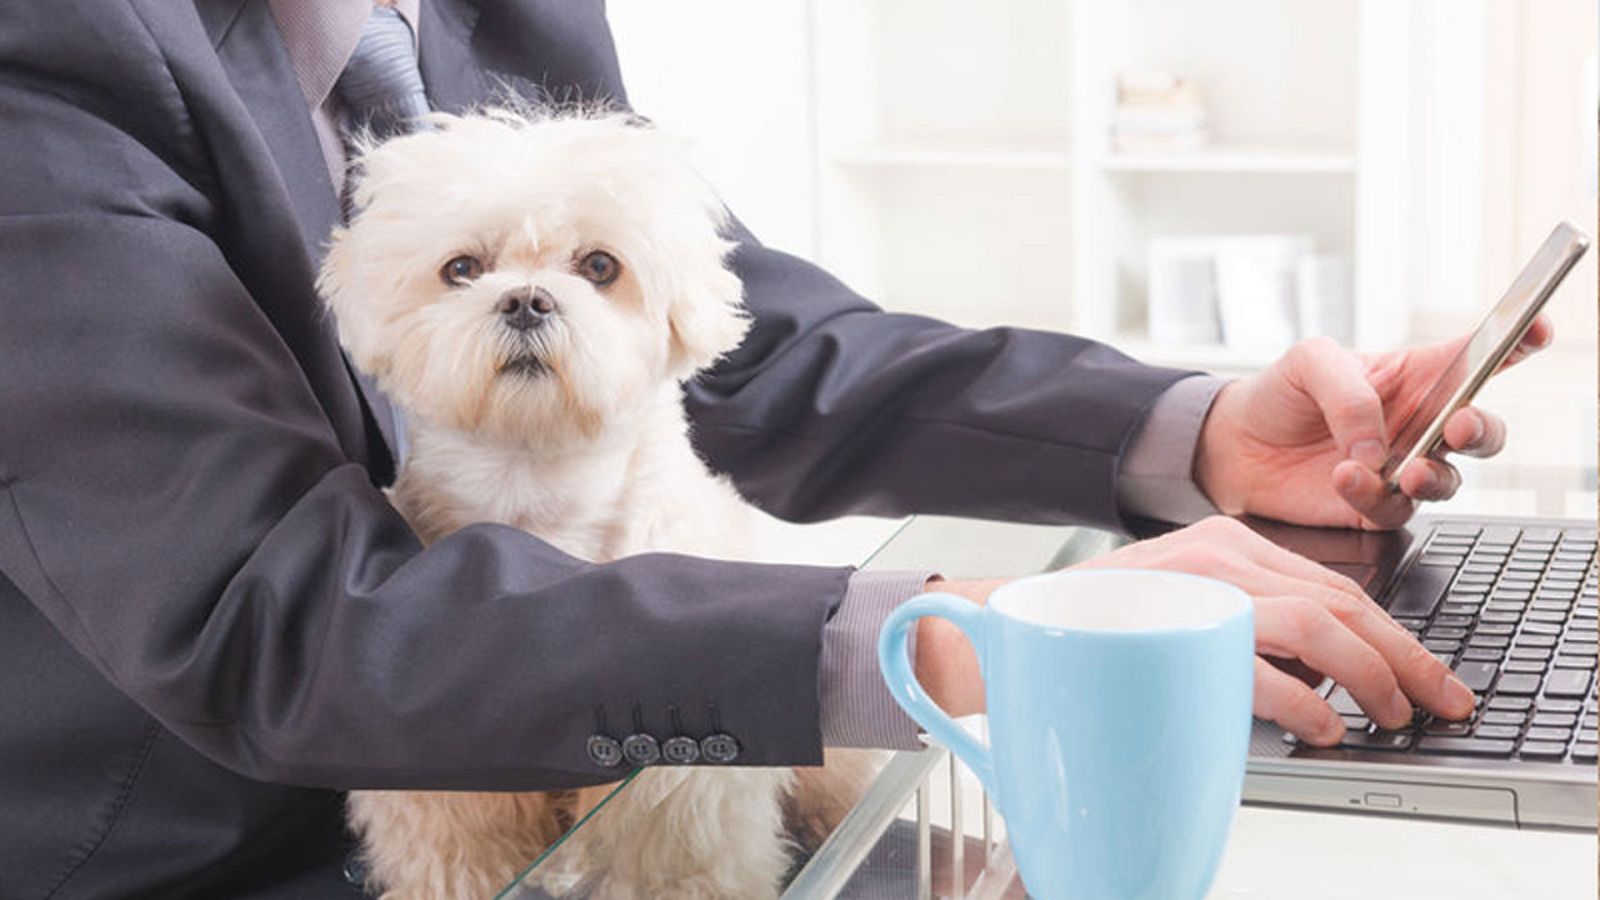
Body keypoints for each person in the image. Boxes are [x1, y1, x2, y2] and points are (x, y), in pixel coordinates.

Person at [0, 1, 1548, 896]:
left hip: (613, 755)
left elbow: (741, 333)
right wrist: (944, 638)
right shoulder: (48, 66)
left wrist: (1191, 430)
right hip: (226, 848)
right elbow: (276, 618)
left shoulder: (471, 14)